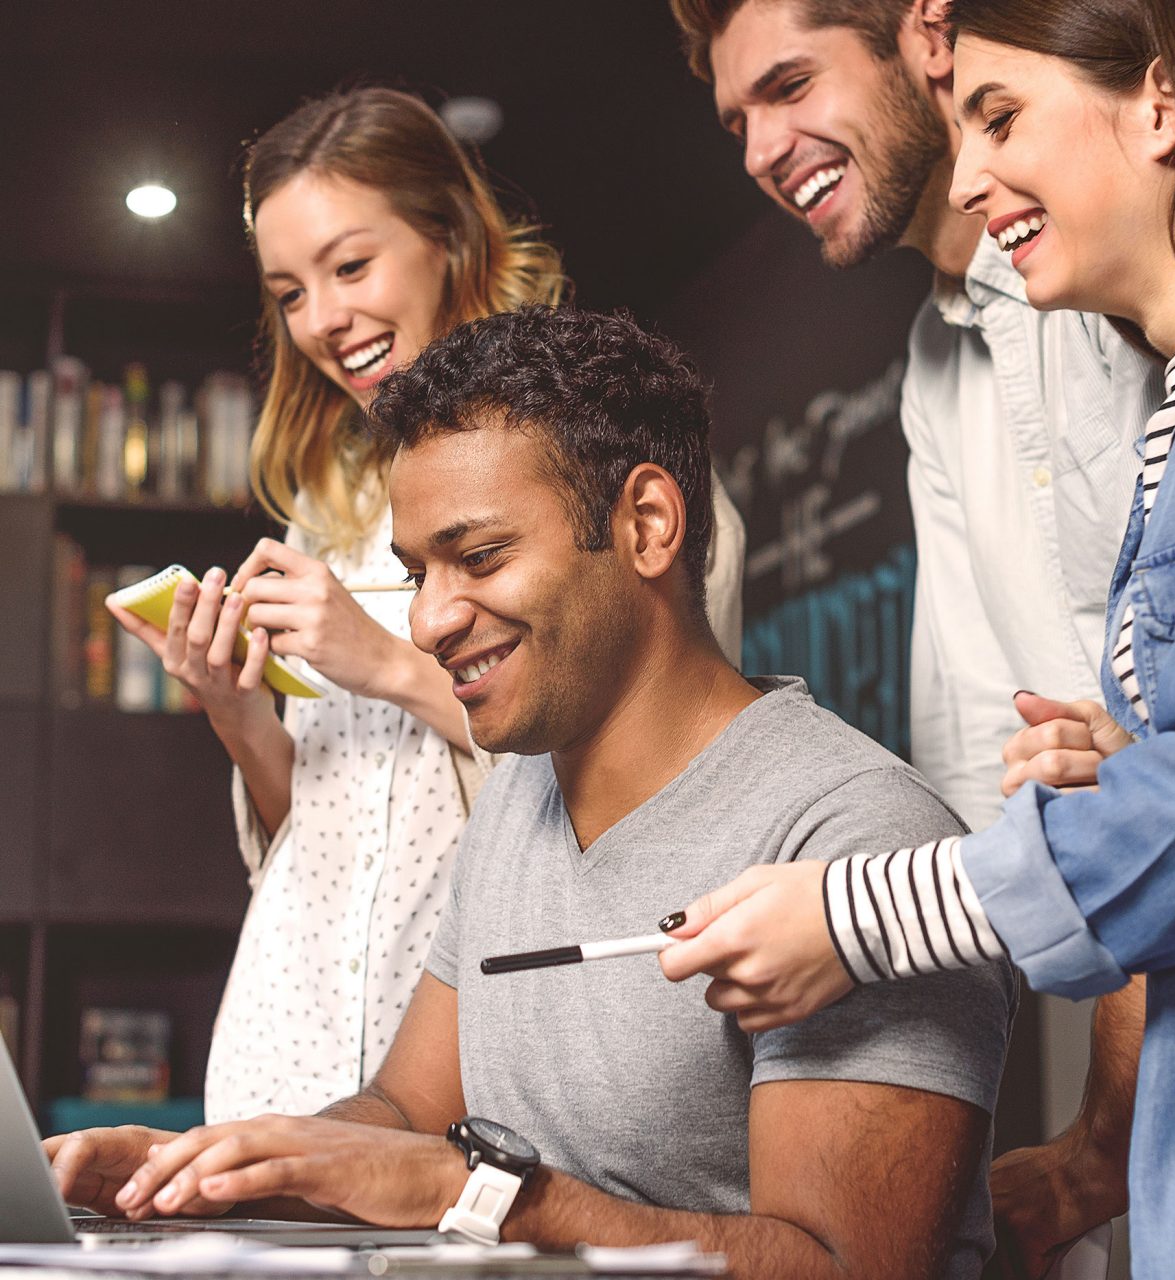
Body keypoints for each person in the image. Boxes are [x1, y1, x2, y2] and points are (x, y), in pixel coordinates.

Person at [49, 306, 1014, 1280]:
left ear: (645, 524)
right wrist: (203, 1169)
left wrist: (469, 1189)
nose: (428, 620)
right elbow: (397, 1118)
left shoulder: (853, 828)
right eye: (415, 572)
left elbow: (853, 1267)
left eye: (477, 558)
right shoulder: (518, 800)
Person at [659, 0, 1175, 1275]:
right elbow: (1132, 761)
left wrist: (850, 913)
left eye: (997, 118)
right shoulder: (1132, 377)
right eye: (735, 120)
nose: (975, 170)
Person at [105, 87, 745, 1124]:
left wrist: (388, 662)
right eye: (290, 291)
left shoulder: (603, 466)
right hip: (284, 1046)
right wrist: (236, 709)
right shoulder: (327, 516)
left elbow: (658, 782)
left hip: (469, 1056)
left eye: (351, 266)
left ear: (448, 239)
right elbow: (306, 828)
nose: (323, 319)